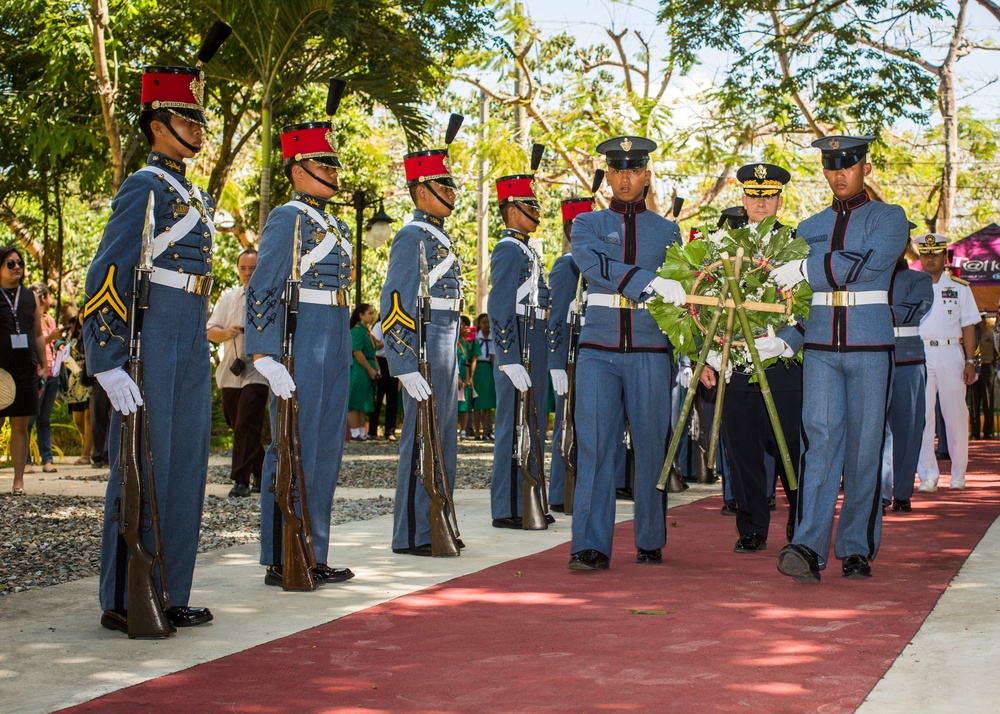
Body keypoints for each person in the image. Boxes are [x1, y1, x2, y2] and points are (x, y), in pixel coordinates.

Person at [83, 25, 228, 635]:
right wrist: (108, 358)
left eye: (198, 120)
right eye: (186, 120)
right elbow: (107, 272)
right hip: (152, 335)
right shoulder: (145, 186)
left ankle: (170, 589)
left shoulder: (188, 191)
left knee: (185, 465)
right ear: (156, 124)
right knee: (142, 462)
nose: (198, 130)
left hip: (190, 332)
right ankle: (123, 594)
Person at [771, 135, 907, 583]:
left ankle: (856, 547)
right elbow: (805, 301)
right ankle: (808, 545)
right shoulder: (808, 226)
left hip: (871, 346)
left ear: (864, 169)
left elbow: (867, 263)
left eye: (847, 166)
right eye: (830, 168)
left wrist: (809, 268)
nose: (838, 175)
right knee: (819, 443)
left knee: (865, 448)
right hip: (822, 347)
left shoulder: (890, 218)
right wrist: (789, 339)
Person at [245, 84, 356, 587]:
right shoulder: (287, 217)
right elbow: (264, 285)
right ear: (298, 171)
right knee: (291, 443)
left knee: (325, 448)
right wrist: (265, 352)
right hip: (302, 336)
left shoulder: (329, 221)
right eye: (324, 167)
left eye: (333, 167)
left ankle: (313, 548)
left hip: (334, 331)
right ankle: (280, 552)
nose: (333, 174)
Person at [567, 136, 686, 571]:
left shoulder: (667, 231)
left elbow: (682, 290)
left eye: (633, 170)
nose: (624, 178)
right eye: (617, 170)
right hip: (598, 347)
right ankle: (590, 544)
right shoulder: (586, 225)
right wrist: (646, 281)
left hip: (651, 347)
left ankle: (651, 536)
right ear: (608, 176)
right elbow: (592, 266)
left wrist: (688, 354)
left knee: (652, 445)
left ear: (646, 176)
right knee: (596, 446)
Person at [699, 163, 801, 552]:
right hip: (736, 362)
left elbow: (809, 304)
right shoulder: (719, 245)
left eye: (769, 195)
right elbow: (703, 305)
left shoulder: (798, 243)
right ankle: (752, 527)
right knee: (742, 450)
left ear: (779, 200)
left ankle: (801, 521)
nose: (762, 203)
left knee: (789, 446)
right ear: (743, 199)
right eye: (754, 196)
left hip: (782, 362)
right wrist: (706, 356)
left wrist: (788, 340)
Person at [380, 114, 465, 556]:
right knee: (420, 439)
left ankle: (437, 521)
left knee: (444, 436)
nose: (452, 195)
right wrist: (404, 362)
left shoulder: (438, 236)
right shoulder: (412, 235)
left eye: (452, 188)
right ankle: (412, 532)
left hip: (446, 339)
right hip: (426, 340)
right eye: (443, 188)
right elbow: (395, 300)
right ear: (420, 192)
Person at [488, 165, 553, 530]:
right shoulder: (509, 249)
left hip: (536, 337)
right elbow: (499, 306)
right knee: (513, 427)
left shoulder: (526, 250)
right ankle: (506, 507)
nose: (538, 212)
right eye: (531, 205)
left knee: (531, 423)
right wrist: (508, 357)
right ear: (512, 209)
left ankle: (531, 499)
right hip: (521, 341)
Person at [914, 233, 980, 492]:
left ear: (944, 257)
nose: (930, 259)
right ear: (920, 257)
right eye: (926, 254)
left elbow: (969, 325)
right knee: (923, 417)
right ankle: (927, 475)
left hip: (951, 352)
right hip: (921, 354)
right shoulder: (912, 285)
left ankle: (958, 474)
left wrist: (971, 360)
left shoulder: (960, 287)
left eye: (935, 254)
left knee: (955, 416)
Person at [207, 249, 270, 497]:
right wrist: (227, 334)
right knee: (239, 426)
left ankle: (240, 481)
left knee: (246, 422)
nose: (248, 273)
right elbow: (210, 330)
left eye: (252, 268)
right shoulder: (229, 298)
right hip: (231, 371)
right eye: (243, 268)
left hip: (258, 371)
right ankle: (264, 472)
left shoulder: (269, 298)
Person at [546, 194, 593, 511]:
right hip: (572, 358)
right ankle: (562, 493)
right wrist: (556, 363)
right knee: (568, 424)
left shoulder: (594, 263)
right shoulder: (567, 265)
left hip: (593, 353)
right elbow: (556, 317)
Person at [879, 242, 933, 513]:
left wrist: (871, 313)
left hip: (908, 360)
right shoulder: (871, 278)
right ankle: (879, 491)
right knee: (875, 430)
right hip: (874, 358)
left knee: (908, 428)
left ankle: (902, 492)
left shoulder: (919, 279)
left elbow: (915, 310)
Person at [0, 248, 46, 494]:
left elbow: (38, 333)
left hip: (25, 367)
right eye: (10, 263)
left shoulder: (30, 297)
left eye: (20, 262)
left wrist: (44, 365)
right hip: (0, 369)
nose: (17, 266)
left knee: (21, 425)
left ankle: (18, 480)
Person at [27, 282, 62, 473]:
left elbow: (52, 344)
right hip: (35, 374)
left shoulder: (49, 320)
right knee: (29, 419)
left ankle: (47, 460)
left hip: (52, 373)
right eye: (48, 297)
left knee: (45, 419)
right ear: (43, 298)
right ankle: (26, 461)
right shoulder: (29, 320)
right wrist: (49, 338)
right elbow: (32, 343)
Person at [60, 305, 93, 465]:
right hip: (75, 381)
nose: (82, 315)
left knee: (89, 416)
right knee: (78, 419)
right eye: (81, 312)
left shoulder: (93, 331)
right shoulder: (72, 333)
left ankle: (86, 454)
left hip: (89, 377)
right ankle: (90, 446)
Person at [348, 303, 379, 441]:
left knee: (363, 401)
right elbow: (357, 351)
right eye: (370, 313)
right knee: (355, 401)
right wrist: (370, 368)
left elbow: (373, 351)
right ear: (361, 315)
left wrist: (376, 368)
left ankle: (361, 432)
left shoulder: (366, 331)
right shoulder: (356, 331)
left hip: (368, 367)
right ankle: (354, 432)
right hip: (360, 368)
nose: (372, 316)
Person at [367, 318, 398, 441]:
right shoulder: (379, 325)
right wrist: (389, 341)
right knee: (378, 397)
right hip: (380, 362)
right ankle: (372, 431)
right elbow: (375, 346)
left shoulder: (398, 326)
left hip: (393, 363)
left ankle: (390, 431)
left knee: (393, 398)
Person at [969, 313, 995, 439]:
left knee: (988, 400)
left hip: (987, 367)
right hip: (974, 367)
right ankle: (975, 432)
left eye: (982, 321)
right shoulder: (972, 335)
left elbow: (997, 351)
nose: (981, 324)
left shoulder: (991, 335)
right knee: (974, 401)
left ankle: (988, 432)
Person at [471, 313, 495, 440]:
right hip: (477, 369)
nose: (487, 325)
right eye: (484, 322)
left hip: (488, 369)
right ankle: (476, 433)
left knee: (487, 404)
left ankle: (486, 432)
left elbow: (493, 357)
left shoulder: (494, 337)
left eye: (488, 322)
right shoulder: (475, 337)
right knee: (477, 404)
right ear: (479, 324)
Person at [457, 315, 476, 439]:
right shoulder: (454, 341)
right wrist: (457, 376)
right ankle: (453, 429)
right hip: (455, 372)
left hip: (465, 372)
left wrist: (469, 378)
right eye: (460, 324)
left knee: (465, 403)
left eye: (464, 324)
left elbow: (470, 360)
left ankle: (464, 430)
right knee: (454, 403)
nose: (462, 327)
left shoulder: (468, 342)